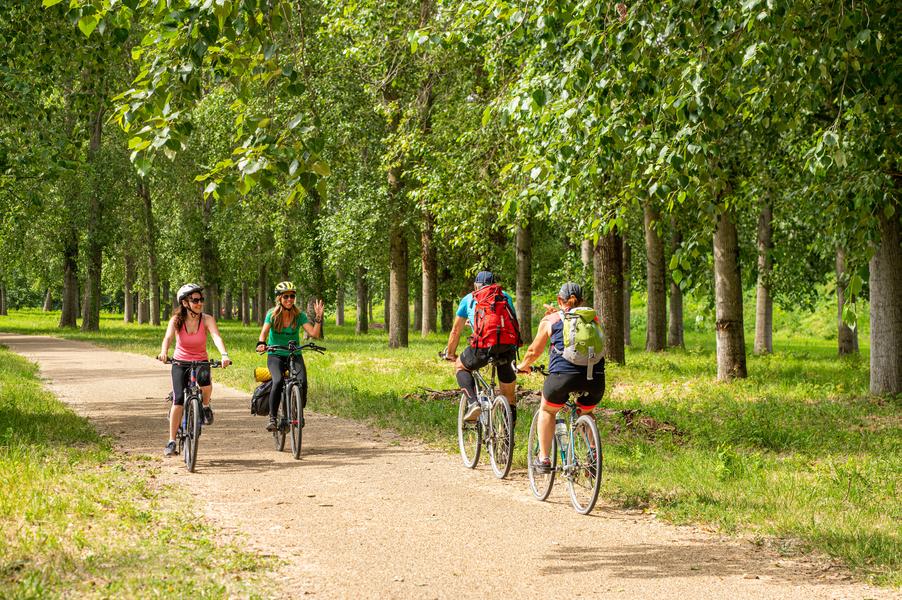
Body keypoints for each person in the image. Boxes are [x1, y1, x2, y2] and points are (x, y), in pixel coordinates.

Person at [515, 282, 605, 473]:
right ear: (581, 300)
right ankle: (594, 454)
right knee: (586, 412)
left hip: (562, 378)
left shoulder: (551, 320)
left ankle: (544, 460)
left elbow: (533, 351)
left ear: (559, 300)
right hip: (595, 380)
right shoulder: (593, 318)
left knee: (547, 410)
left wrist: (523, 366)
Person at [157, 283, 232, 457]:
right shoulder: (176, 320)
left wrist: (224, 355)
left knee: (205, 382)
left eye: (201, 300)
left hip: (200, 360)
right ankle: (171, 440)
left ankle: (205, 406)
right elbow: (168, 337)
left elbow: (216, 336)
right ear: (184, 303)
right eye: (195, 300)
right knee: (178, 400)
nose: (199, 303)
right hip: (179, 362)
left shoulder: (207, 319)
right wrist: (163, 352)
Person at [443, 270, 520, 426]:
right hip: (507, 347)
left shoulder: (468, 298)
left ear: (475, 285)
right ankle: (507, 437)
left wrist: (450, 353)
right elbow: (512, 324)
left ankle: (473, 403)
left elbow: (455, 331)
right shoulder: (505, 296)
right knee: (509, 395)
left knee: (461, 367)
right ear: (494, 284)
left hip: (483, 347)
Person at [256, 281, 324, 432]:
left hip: (294, 354)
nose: (289, 299)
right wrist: (261, 343)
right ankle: (273, 418)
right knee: (278, 380)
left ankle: (298, 411)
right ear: (279, 298)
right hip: (275, 354)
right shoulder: (272, 314)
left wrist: (319, 317)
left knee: (303, 382)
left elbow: (314, 334)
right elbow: (264, 332)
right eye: (286, 296)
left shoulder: (299, 316)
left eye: (292, 296)